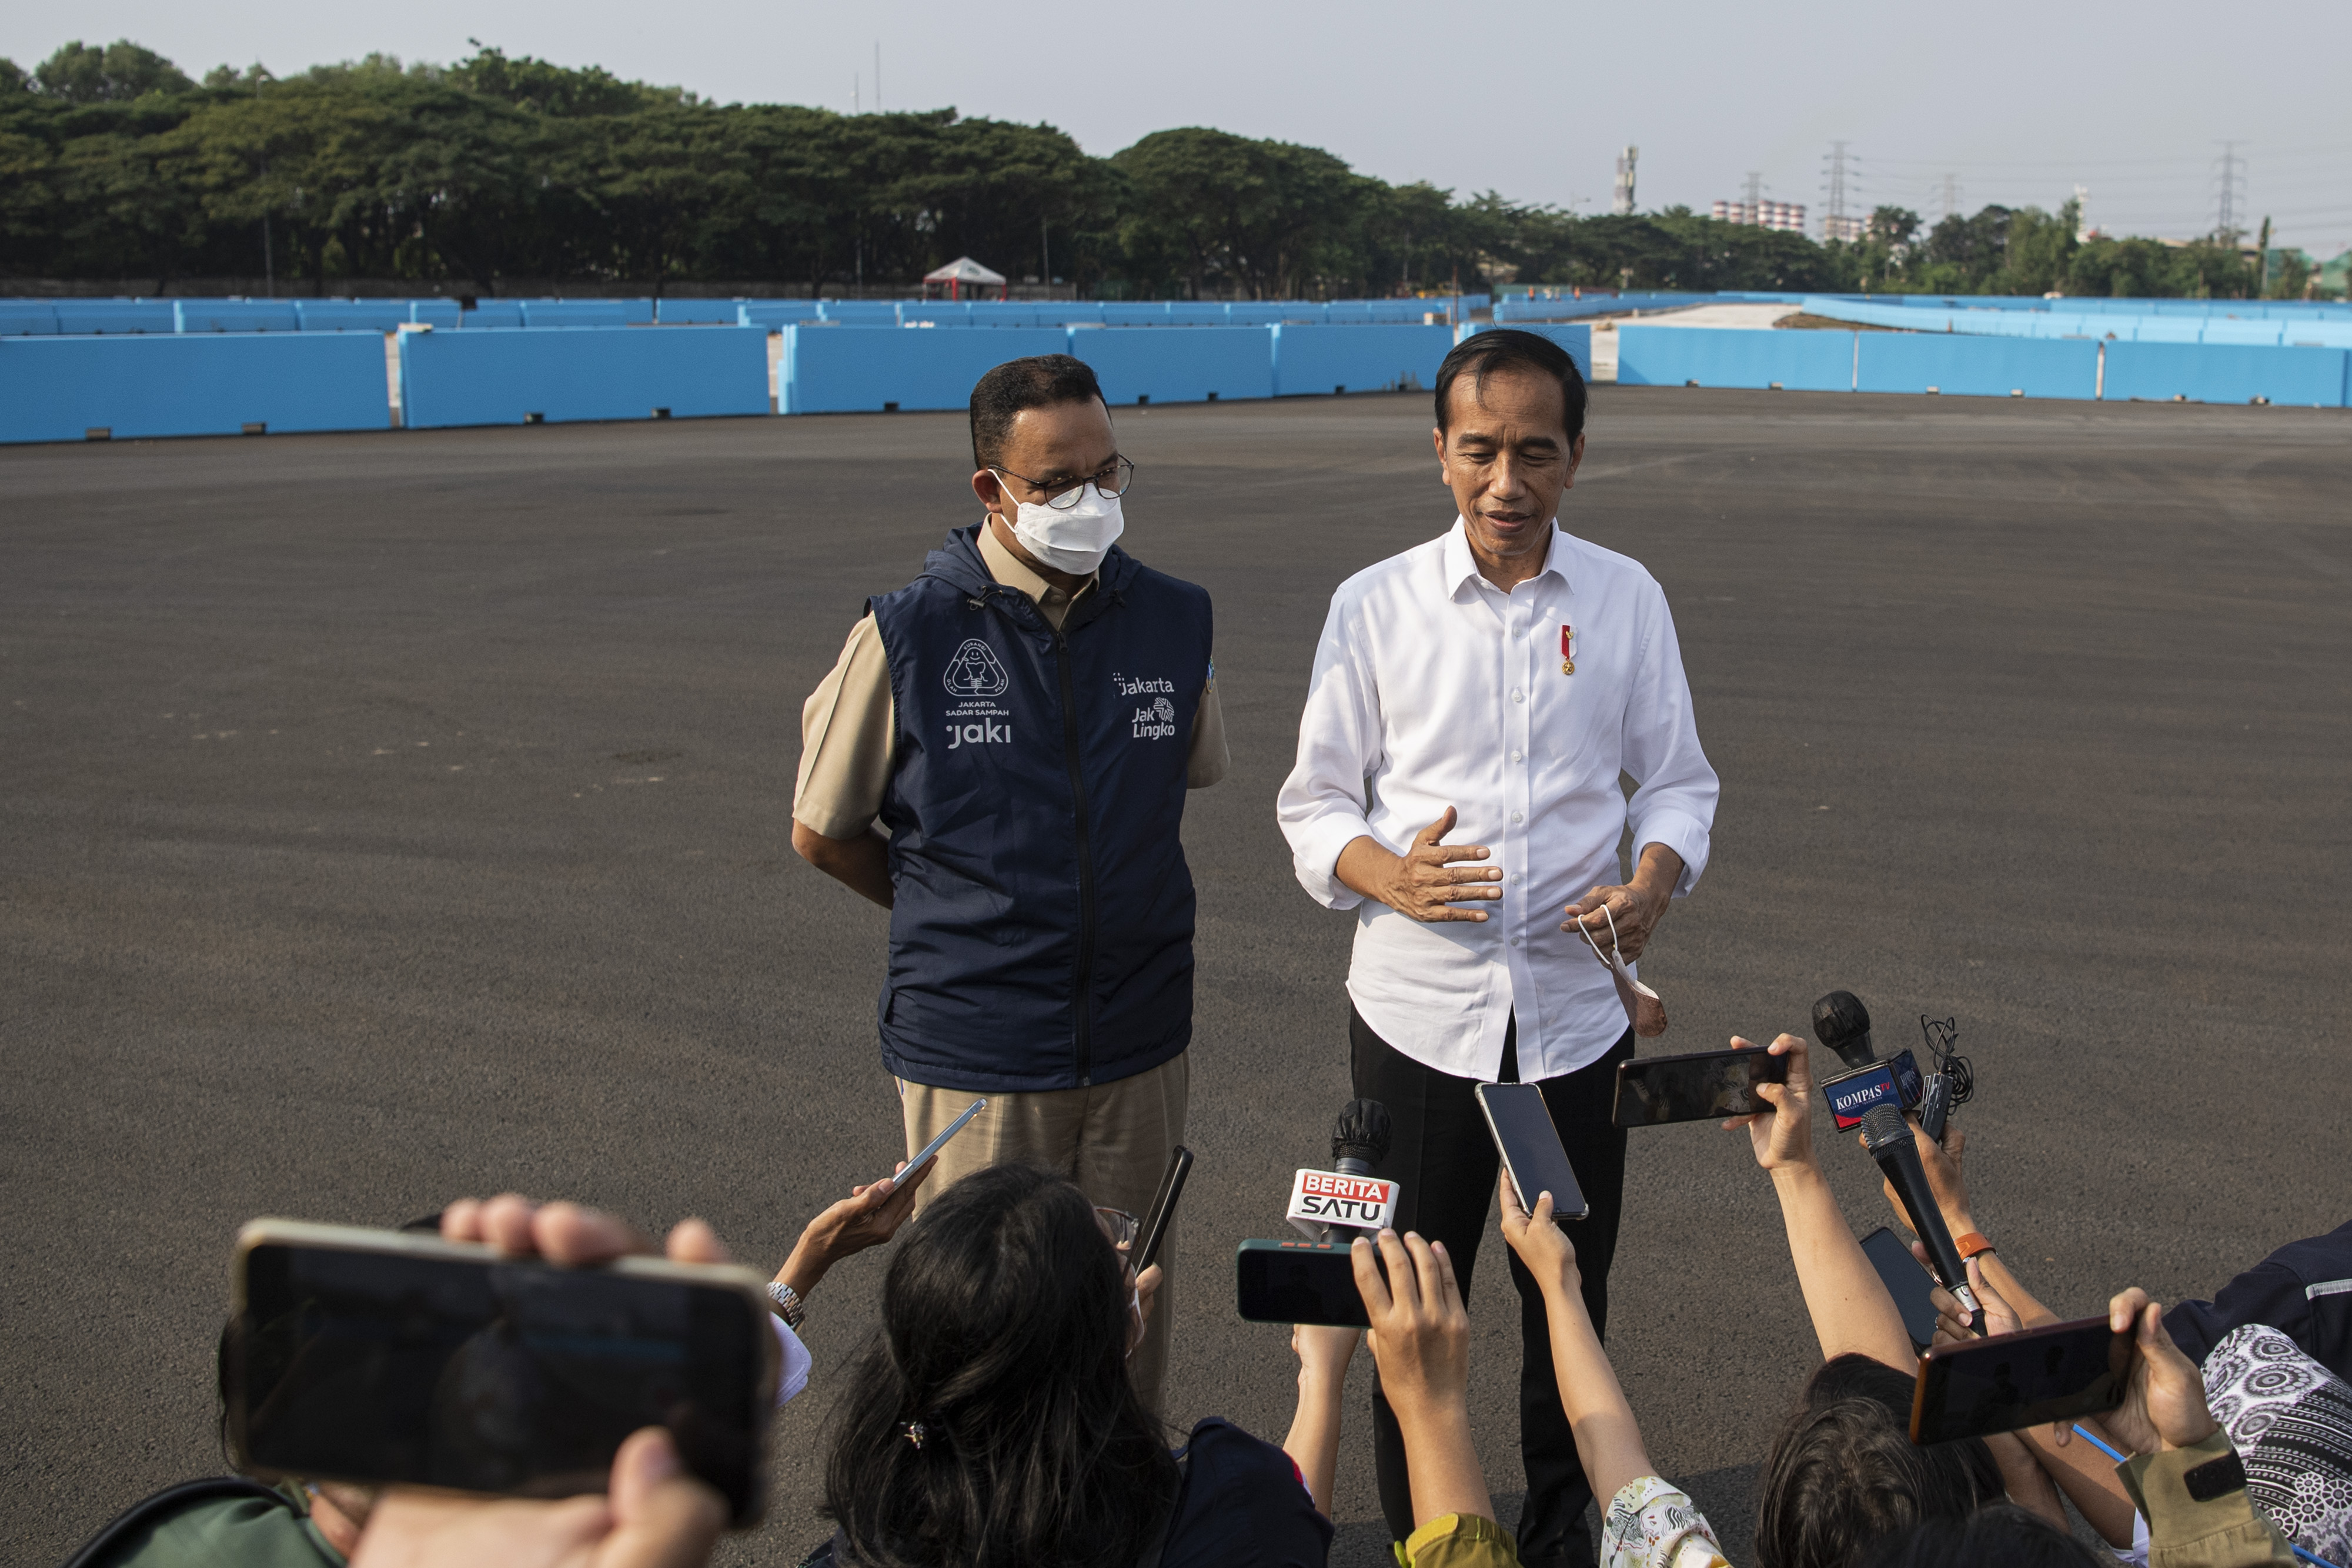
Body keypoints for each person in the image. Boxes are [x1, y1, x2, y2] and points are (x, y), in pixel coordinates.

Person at [1275, 327, 1720, 1567]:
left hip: (1577, 1018)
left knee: (1564, 1289)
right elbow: (1313, 806)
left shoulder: (1625, 598)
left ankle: (1565, 1526)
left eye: (1534, 451)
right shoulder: (1372, 606)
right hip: (1416, 1014)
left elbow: (1678, 784)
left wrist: (1649, 883)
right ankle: (1430, 1531)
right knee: (1406, 1296)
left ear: (1575, 457)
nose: (1505, 482)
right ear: (1439, 453)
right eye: (1478, 451)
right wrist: (1391, 874)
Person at [791, 352, 1225, 1408]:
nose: (1090, 500)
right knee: (982, 1329)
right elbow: (824, 830)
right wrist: (953, 909)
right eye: (1056, 483)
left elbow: (1192, 770)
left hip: (1137, 1040)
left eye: (1107, 472)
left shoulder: (1174, 619)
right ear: (992, 491)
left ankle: (1119, 1514)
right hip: (979, 1048)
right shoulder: (909, 634)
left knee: (1126, 1316)